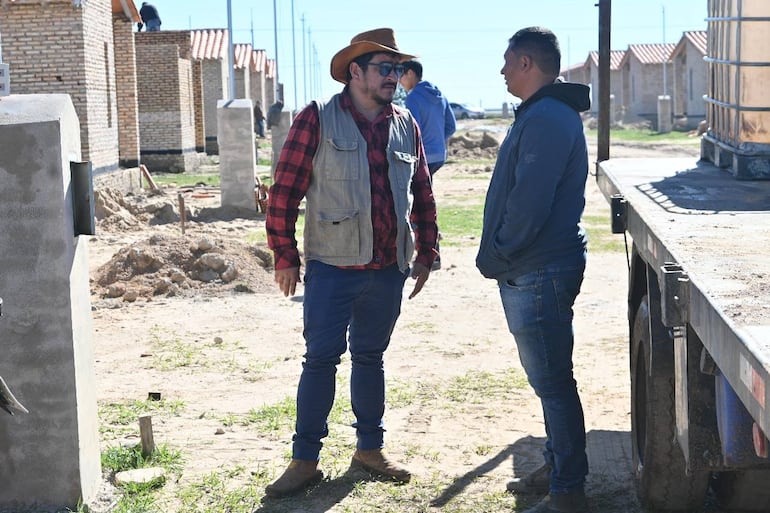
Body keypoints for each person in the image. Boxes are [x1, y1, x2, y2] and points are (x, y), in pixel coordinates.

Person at [264, 27, 438, 498]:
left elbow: (421, 192)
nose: (395, 78)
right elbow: (284, 192)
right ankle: (304, 461)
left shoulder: (406, 123)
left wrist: (428, 251)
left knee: (370, 358)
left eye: (398, 70)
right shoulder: (317, 119)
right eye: (385, 68)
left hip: (388, 269)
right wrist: (286, 255)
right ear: (355, 71)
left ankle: (369, 449)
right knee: (320, 361)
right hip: (333, 268)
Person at [475, 27, 591, 513]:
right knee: (550, 380)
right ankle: (559, 467)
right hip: (537, 266)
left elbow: (529, 202)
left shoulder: (545, 117)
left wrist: (499, 254)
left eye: (507, 61)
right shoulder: (543, 114)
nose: (501, 70)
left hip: (537, 268)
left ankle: (567, 491)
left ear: (526, 63)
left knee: (553, 382)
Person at [399, 60, 456, 270]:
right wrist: (438, 142)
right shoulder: (438, 95)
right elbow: (452, 125)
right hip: (438, 156)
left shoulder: (414, 97)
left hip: (421, 158)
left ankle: (429, 253)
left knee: (416, 204)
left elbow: (409, 130)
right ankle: (433, 254)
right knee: (425, 201)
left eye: (401, 75)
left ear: (411, 73)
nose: (399, 80)